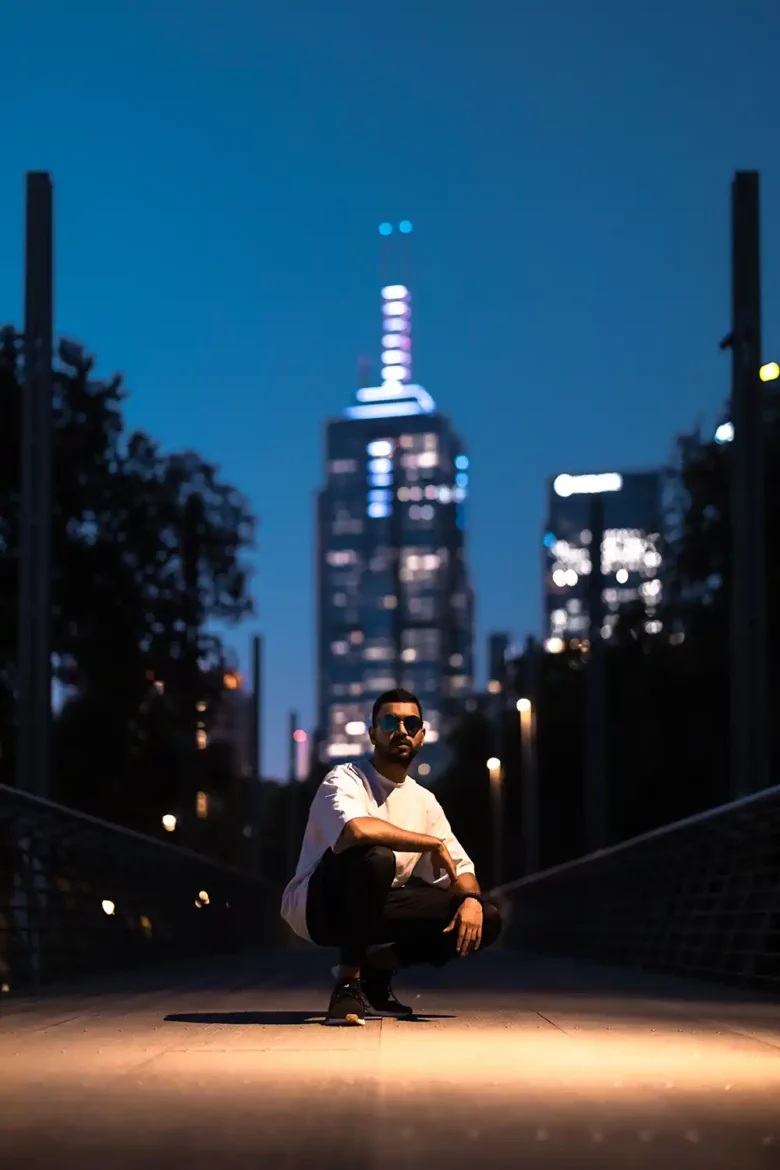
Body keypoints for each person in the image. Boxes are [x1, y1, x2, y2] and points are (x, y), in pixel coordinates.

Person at [281, 688, 503, 1026]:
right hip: (319, 907)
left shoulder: (424, 800)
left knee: (486, 917)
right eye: (389, 721)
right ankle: (346, 985)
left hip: (375, 906)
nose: (401, 730)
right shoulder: (345, 779)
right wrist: (429, 843)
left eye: (410, 723)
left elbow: (461, 868)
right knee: (377, 857)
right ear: (373, 733)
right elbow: (355, 831)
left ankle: (375, 973)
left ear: (422, 735)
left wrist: (470, 898)